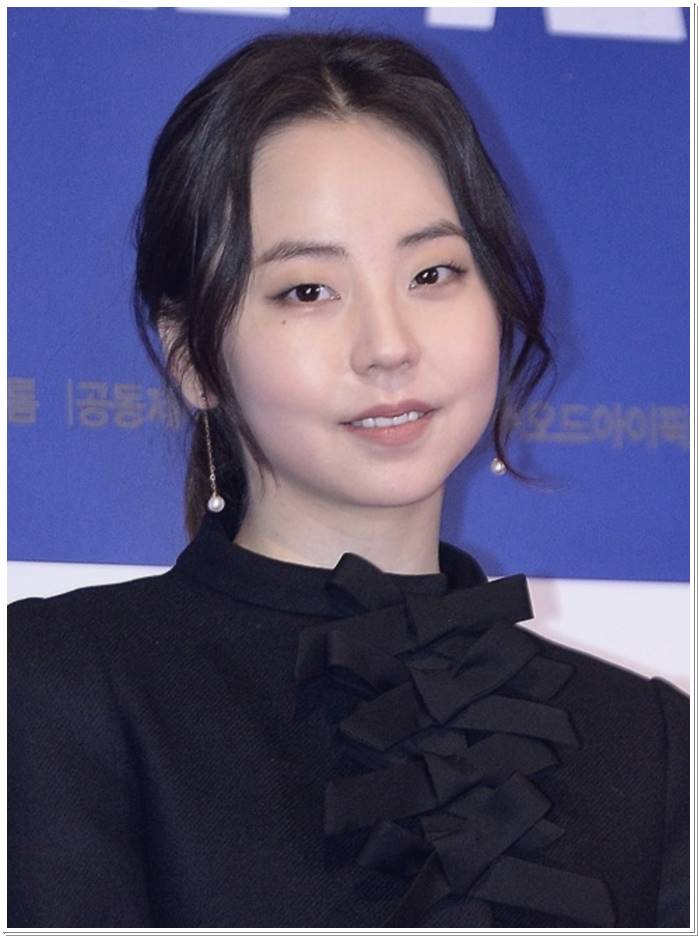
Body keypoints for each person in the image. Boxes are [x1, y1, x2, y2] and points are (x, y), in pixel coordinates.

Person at [8, 28, 689, 928]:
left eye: (433, 273)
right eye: (308, 290)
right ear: (192, 360)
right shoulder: (60, 684)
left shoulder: (649, 741)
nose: (389, 345)